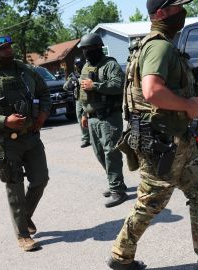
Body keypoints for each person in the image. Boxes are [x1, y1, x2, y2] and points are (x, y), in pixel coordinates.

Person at [106, 1, 198, 269]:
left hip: (178, 138)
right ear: (159, 14)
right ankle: (121, 256)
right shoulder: (159, 46)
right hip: (163, 142)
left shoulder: (157, 44)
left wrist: (190, 98)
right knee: (151, 203)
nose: (181, 12)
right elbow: (152, 91)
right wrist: (188, 106)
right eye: (175, 7)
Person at [0, 35, 50, 251]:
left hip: (32, 136)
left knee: (41, 179)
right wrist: (6, 121)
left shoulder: (27, 71)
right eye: (3, 49)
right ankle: (23, 235)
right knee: (14, 187)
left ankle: (25, 217)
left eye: (9, 47)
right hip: (7, 141)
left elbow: (43, 92)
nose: (8, 51)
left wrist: (43, 113)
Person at [77, 33, 128, 208]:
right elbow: (84, 95)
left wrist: (96, 86)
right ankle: (115, 182)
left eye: (89, 49)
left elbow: (118, 85)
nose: (86, 53)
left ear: (98, 48)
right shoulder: (86, 67)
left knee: (111, 153)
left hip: (108, 117)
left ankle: (117, 189)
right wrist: (84, 113)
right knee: (99, 153)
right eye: (84, 50)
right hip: (92, 117)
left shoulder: (110, 65)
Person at [63, 57, 91, 148]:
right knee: (80, 118)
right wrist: (71, 82)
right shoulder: (73, 75)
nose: (79, 66)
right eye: (77, 65)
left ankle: (95, 137)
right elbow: (65, 87)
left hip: (89, 98)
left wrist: (80, 81)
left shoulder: (88, 72)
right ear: (75, 66)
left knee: (92, 117)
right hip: (79, 99)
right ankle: (86, 138)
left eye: (80, 65)